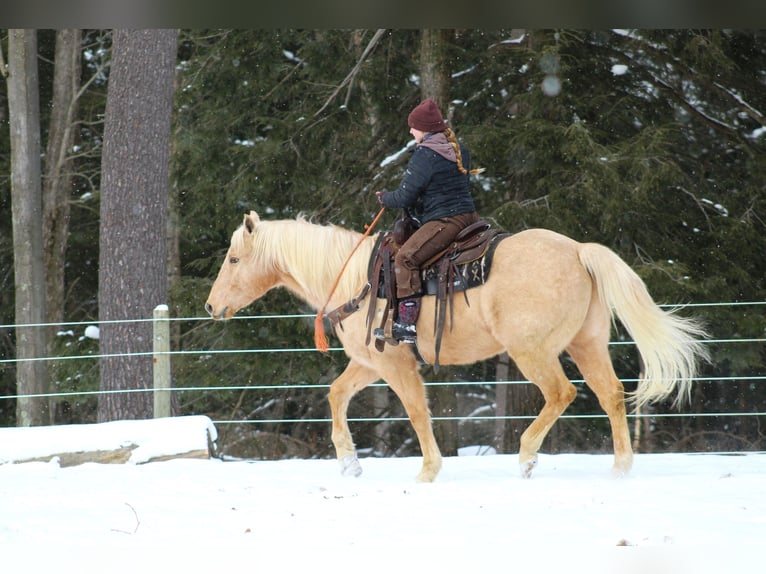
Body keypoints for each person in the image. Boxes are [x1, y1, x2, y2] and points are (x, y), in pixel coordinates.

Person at [374, 98, 481, 344]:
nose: (411, 131)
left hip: (445, 220)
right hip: (469, 217)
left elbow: (404, 196)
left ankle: (407, 324)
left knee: (405, 258)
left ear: (423, 128)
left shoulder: (425, 154)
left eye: (413, 127)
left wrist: (384, 198)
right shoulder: (458, 149)